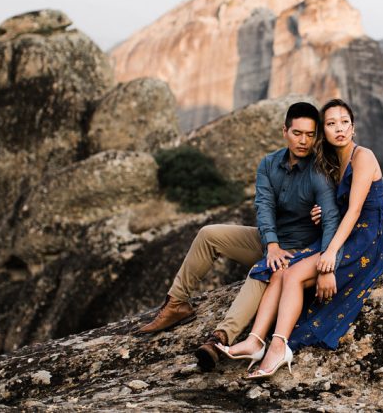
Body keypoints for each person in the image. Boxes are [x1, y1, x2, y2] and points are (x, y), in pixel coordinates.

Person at [136, 101, 341, 372]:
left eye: (310, 134)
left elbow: (330, 219)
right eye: (297, 133)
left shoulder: (318, 172)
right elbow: (264, 206)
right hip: (270, 241)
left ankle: (220, 338)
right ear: (285, 131)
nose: (303, 141)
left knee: (260, 273)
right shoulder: (269, 164)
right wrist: (271, 244)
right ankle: (177, 303)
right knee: (208, 234)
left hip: (298, 251)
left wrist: (325, 261)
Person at [216, 98, 383, 378]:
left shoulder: (363, 156)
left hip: (366, 236)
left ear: (354, 128)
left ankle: (279, 346)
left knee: (294, 274)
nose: (339, 129)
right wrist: (322, 212)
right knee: (280, 270)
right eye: (331, 124)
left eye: (345, 122)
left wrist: (329, 258)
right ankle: (255, 341)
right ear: (324, 131)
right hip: (341, 232)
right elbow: (337, 207)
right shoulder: (330, 161)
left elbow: (355, 209)